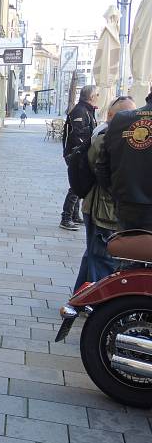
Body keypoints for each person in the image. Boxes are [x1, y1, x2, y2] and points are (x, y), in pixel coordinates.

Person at [74, 96, 137, 290]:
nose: (131, 118)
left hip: (98, 205)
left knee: (94, 253)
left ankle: (80, 296)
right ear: (112, 115)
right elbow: (99, 167)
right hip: (102, 207)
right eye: (126, 114)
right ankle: (96, 304)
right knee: (101, 257)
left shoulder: (114, 135)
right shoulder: (106, 137)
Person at [96, 86, 152, 231]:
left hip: (127, 206)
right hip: (127, 203)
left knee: (128, 250)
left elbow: (102, 165)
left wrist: (115, 193)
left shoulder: (121, 119)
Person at [60, 85, 99, 231]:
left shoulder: (86, 110)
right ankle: (66, 217)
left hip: (77, 153)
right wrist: (83, 153)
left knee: (78, 184)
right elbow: (78, 136)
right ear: (91, 97)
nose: (99, 97)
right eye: (97, 95)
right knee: (76, 186)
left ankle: (74, 215)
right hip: (76, 154)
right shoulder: (81, 111)